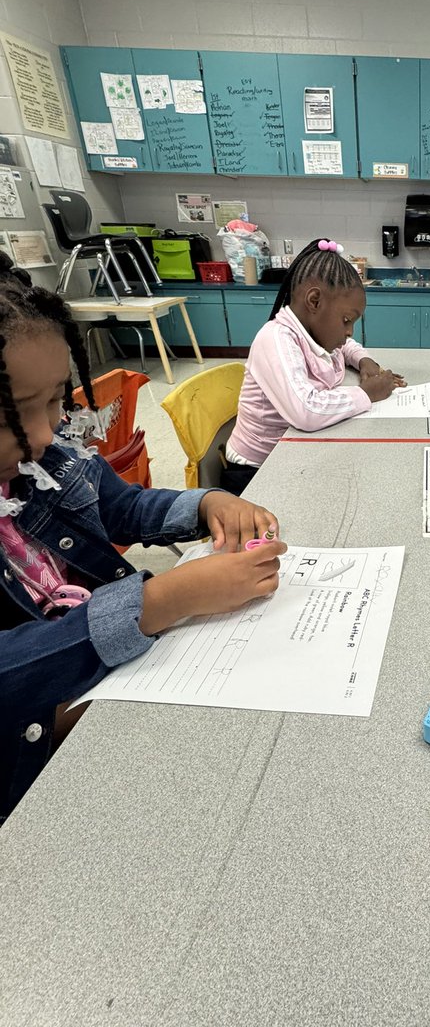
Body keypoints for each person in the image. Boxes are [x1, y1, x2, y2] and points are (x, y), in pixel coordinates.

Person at [0, 256, 286, 821]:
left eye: (56, 401)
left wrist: (206, 504)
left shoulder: (48, 459)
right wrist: (162, 601)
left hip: (122, 683)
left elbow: (122, 505)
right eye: (11, 413)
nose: (41, 434)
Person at [224, 239, 405, 491]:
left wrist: (364, 360)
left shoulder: (314, 334)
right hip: (257, 473)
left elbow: (346, 346)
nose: (349, 331)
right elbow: (306, 410)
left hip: (296, 455)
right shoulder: (276, 338)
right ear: (315, 301)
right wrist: (367, 393)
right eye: (346, 320)